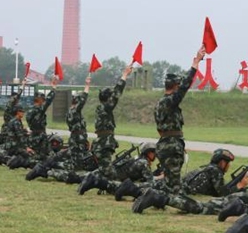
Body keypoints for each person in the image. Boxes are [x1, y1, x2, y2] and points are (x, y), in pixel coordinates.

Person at [155, 46, 205, 192]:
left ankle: (153, 195)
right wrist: (195, 64)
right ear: (176, 86)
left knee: (169, 182)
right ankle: (148, 195)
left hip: (165, 144)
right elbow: (185, 86)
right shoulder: (170, 101)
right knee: (176, 188)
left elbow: (159, 129)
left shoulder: (160, 103)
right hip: (171, 147)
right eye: (179, 85)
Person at [77, 142, 161, 196]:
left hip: (117, 175)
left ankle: (93, 180)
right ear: (148, 152)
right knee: (121, 188)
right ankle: (95, 182)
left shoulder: (137, 158)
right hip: (118, 179)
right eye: (153, 152)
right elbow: (151, 180)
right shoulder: (144, 163)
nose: (155, 155)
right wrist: (161, 177)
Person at [91, 66, 131, 176]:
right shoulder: (106, 108)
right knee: (110, 174)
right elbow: (117, 93)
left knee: (106, 170)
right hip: (104, 143)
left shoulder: (101, 108)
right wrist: (124, 75)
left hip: (103, 142)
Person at [24, 78, 57, 164]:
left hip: (33, 135)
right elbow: (48, 101)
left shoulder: (30, 111)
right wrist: (53, 88)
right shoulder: (38, 109)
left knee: (36, 154)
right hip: (40, 136)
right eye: (43, 99)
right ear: (39, 100)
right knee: (46, 155)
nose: (43, 101)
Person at [66, 76, 93, 171]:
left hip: (77, 138)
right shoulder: (75, 111)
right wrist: (87, 85)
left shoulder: (71, 112)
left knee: (78, 160)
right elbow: (83, 100)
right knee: (78, 162)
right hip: (78, 140)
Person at [0, 78, 27, 148]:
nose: (18, 101)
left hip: (10, 129)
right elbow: (17, 96)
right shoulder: (10, 104)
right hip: (8, 131)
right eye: (16, 99)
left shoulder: (13, 107)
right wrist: (22, 86)